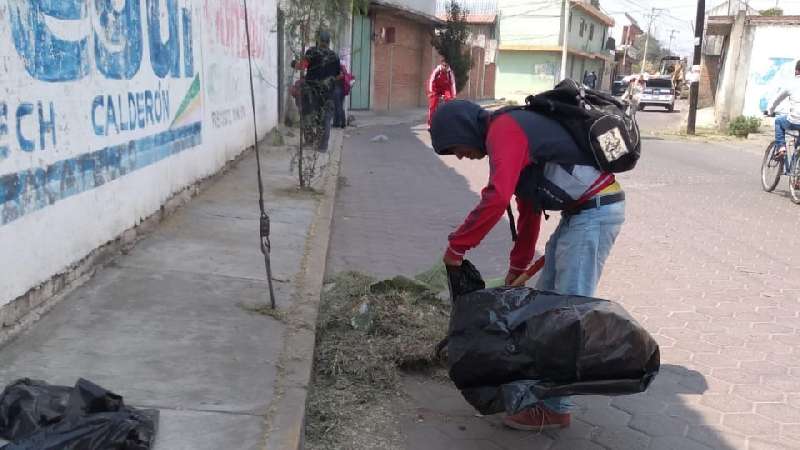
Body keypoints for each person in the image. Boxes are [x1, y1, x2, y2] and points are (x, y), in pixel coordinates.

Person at [431, 100, 625, 431]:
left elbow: (497, 198)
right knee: (547, 307)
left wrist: (457, 247)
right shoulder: (508, 134)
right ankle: (541, 394)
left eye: (456, 148)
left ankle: (556, 408)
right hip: (579, 215)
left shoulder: (504, 130)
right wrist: (517, 266)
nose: (461, 156)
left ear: (462, 128)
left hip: (595, 213)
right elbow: (529, 209)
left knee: (568, 313)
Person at [298, 30, 341, 151]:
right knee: (325, 119)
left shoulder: (311, 52)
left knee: (307, 116)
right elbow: (339, 75)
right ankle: (323, 147)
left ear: (319, 40)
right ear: (328, 41)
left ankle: (310, 141)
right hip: (328, 93)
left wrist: (294, 64)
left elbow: (302, 66)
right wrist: (329, 79)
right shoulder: (335, 56)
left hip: (311, 92)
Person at [768, 60, 800, 172]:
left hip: (794, 120)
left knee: (779, 121)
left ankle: (781, 147)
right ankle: (796, 177)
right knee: (798, 148)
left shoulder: (791, 84)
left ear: (796, 71)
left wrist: (770, 111)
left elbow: (777, 100)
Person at [427, 59, 457, 128]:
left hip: (445, 89)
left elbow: (453, 84)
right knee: (432, 104)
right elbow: (431, 80)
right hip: (435, 89)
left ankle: (447, 121)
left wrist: (454, 95)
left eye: (447, 66)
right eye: (444, 65)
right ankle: (430, 123)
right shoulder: (437, 71)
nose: (445, 67)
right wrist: (431, 92)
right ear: (441, 65)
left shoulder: (450, 73)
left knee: (450, 102)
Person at [333, 62, 355, 129]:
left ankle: (342, 123)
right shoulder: (342, 68)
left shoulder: (338, 69)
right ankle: (337, 123)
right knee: (338, 106)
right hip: (342, 90)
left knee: (338, 107)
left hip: (338, 90)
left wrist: (333, 78)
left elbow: (339, 77)